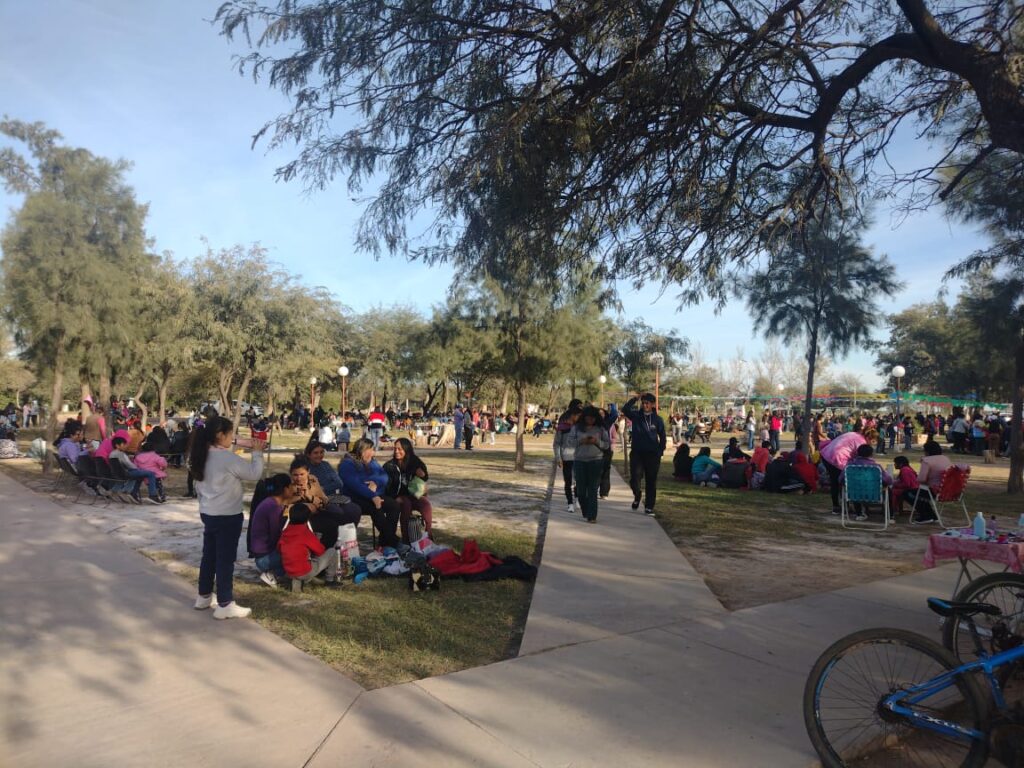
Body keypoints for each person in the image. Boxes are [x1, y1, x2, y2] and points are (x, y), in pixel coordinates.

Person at [190, 415, 265, 619]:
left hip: (209, 513)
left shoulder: (201, 454)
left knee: (210, 556)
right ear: (220, 435)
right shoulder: (226, 458)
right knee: (225, 559)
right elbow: (254, 474)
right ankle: (225, 603)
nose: (232, 437)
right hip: (227, 515)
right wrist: (257, 454)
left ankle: (204, 595)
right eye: (230, 433)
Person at [338, 438, 402, 548]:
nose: (373, 453)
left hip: (372, 495)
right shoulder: (347, 464)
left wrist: (375, 483)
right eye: (371, 450)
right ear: (363, 450)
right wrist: (371, 494)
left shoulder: (371, 461)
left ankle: (384, 541)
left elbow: (384, 476)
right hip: (354, 498)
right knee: (375, 507)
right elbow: (355, 484)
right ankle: (392, 541)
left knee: (394, 505)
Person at [289, 455, 362, 548]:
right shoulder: (290, 487)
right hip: (304, 518)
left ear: (308, 472)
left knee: (346, 514)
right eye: (295, 475)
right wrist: (305, 498)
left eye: (302, 474)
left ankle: (343, 546)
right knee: (332, 525)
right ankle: (323, 550)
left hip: (320, 510)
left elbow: (324, 499)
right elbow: (290, 506)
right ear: (291, 474)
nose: (299, 478)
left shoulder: (313, 480)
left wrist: (311, 497)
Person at [277, 503, 342, 588]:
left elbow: (279, 549)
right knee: (332, 552)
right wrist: (316, 540)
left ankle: (297, 580)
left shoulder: (285, 532)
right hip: (304, 571)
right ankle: (329, 580)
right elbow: (320, 551)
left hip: (288, 572)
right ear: (307, 518)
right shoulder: (305, 532)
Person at [249, 473, 296, 587]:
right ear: (285, 489)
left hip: (263, 555)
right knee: (297, 552)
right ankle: (273, 573)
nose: (293, 489)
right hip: (265, 558)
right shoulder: (273, 507)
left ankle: (277, 574)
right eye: (291, 487)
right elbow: (276, 536)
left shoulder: (270, 502)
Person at [623, 393, 666, 515]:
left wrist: (660, 451)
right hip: (637, 453)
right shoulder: (636, 416)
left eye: (647, 403)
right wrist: (635, 398)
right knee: (635, 479)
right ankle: (637, 495)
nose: (645, 405)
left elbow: (662, 436)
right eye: (643, 403)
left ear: (652, 404)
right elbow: (625, 409)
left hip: (652, 455)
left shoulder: (658, 420)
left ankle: (649, 507)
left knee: (651, 481)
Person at [383, 437, 433, 542]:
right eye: (395, 449)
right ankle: (406, 539)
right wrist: (395, 497)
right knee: (406, 504)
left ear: (407, 449)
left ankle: (429, 535)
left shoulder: (414, 461)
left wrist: (422, 475)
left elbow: (425, 476)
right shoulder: (389, 466)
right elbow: (386, 487)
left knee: (426, 504)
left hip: (413, 494)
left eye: (400, 449)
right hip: (398, 497)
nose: (397, 451)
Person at [570, 406, 610, 523]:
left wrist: (596, 441)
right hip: (580, 461)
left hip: (596, 461)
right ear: (584, 418)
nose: (590, 421)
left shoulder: (601, 429)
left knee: (593, 489)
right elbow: (570, 442)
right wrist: (581, 441)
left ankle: (592, 516)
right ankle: (586, 510)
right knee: (581, 490)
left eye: (593, 418)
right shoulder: (576, 428)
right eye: (588, 418)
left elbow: (607, 445)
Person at [818, 426, 867, 516]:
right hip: (838, 458)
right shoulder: (862, 442)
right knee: (845, 482)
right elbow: (860, 458)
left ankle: (836, 506)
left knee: (835, 482)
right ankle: (845, 506)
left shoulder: (852, 434)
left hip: (827, 454)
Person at [109, 436, 164, 504]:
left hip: (121, 473)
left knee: (140, 476)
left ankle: (133, 494)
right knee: (151, 473)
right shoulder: (119, 454)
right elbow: (128, 464)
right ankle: (153, 495)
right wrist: (138, 469)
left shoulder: (113, 453)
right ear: (117, 445)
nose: (126, 446)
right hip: (126, 473)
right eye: (124, 444)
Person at [553, 402, 582, 513]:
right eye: (578, 416)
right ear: (573, 415)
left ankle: (578, 498)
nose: (580, 418)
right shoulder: (562, 427)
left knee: (578, 481)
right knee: (568, 481)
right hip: (566, 458)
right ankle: (570, 503)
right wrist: (558, 458)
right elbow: (556, 444)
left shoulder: (580, 427)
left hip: (579, 458)